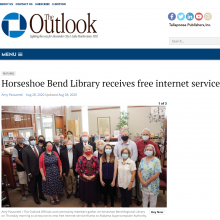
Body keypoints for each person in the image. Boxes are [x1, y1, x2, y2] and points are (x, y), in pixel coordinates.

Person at [136, 128, 161, 206]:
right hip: (141, 163)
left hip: (152, 165)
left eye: (147, 134)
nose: (145, 136)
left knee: (153, 198)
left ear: (149, 135)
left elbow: (158, 154)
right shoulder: (138, 143)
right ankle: (140, 199)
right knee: (140, 184)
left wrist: (153, 161)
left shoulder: (153, 144)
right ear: (141, 135)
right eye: (144, 134)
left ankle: (151, 201)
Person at [114, 130, 138, 204]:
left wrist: (129, 162)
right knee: (120, 178)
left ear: (128, 135)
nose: (124, 135)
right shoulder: (117, 144)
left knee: (131, 179)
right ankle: (119, 195)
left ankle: (132, 197)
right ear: (121, 136)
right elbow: (115, 154)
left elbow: (134, 155)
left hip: (130, 163)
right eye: (123, 134)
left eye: (126, 134)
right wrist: (121, 162)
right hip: (120, 163)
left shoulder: (133, 144)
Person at [22, 136, 47, 205]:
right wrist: (28, 173)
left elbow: (42, 159)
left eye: (34, 139)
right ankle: (35, 198)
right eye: (31, 139)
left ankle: (41, 196)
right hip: (32, 172)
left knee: (41, 184)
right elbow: (25, 163)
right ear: (29, 141)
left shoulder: (39, 147)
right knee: (34, 186)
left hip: (40, 170)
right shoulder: (25, 150)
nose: (33, 140)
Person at [12, 135, 29, 201]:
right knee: (22, 181)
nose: (21, 139)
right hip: (20, 167)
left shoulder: (26, 146)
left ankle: (30, 190)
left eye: (22, 138)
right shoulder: (15, 148)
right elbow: (16, 159)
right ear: (17, 139)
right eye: (20, 138)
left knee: (29, 180)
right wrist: (23, 165)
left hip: (28, 167)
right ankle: (23, 193)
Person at [94, 139, 105, 204]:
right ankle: (99, 197)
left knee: (104, 183)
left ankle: (104, 197)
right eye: (99, 144)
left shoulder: (106, 152)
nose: (100, 145)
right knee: (98, 184)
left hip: (104, 169)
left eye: (101, 144)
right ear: (97, 145)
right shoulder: (95, 152)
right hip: (97, 170)